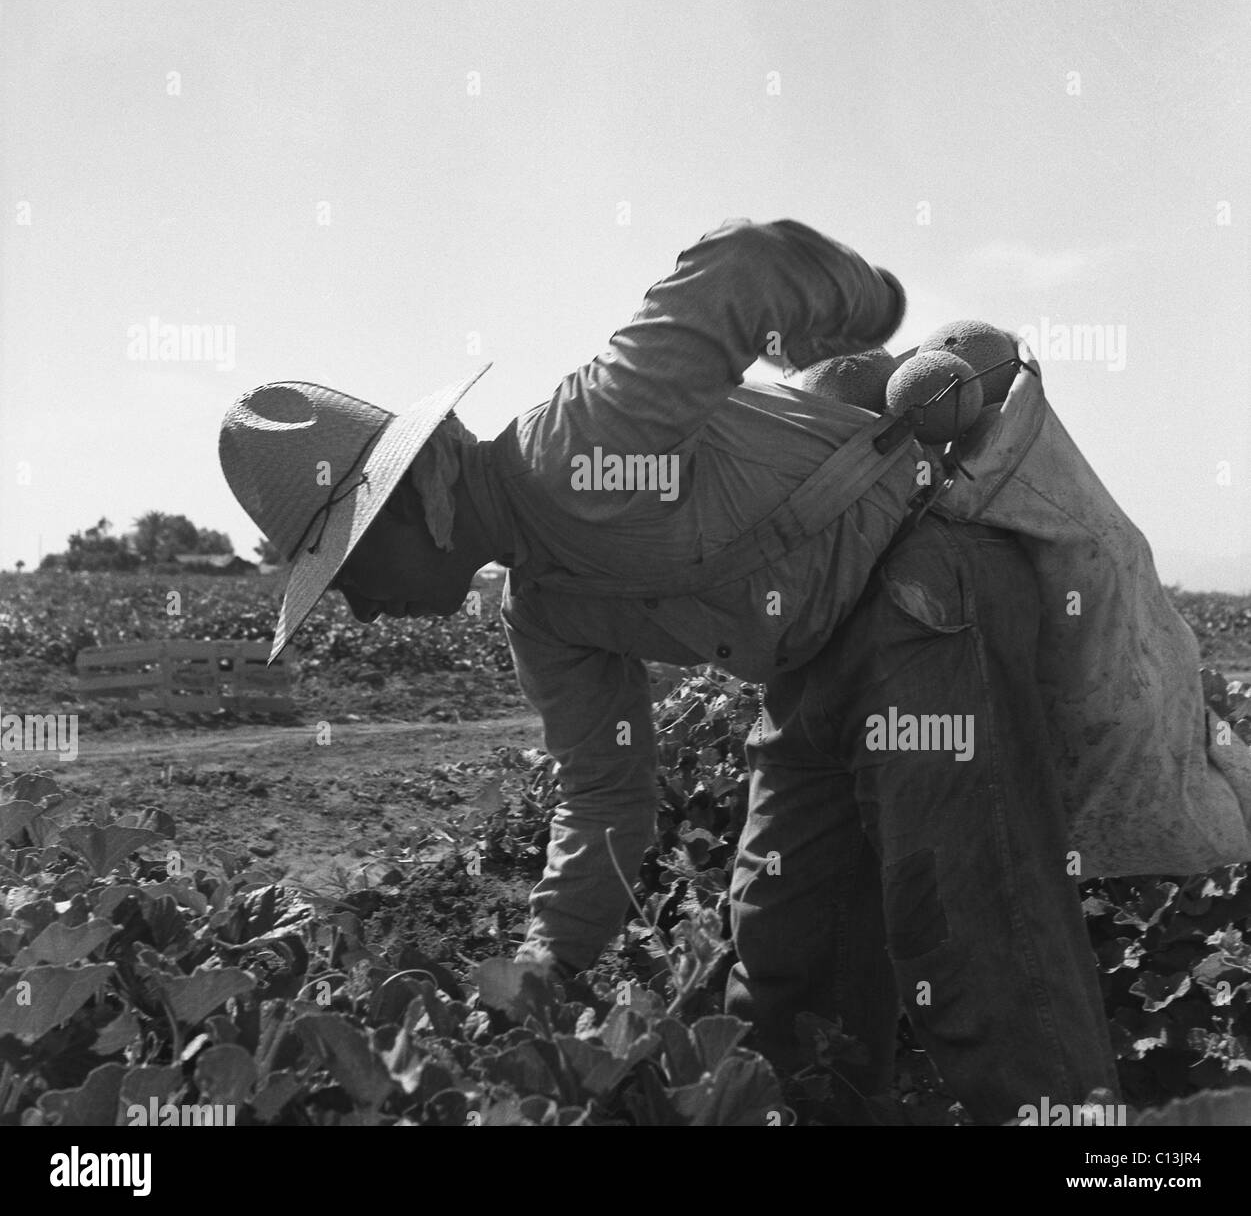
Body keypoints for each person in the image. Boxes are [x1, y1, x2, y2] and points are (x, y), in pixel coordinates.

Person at [219, 218, 1119, 1123]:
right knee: (787, 960)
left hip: (927, 594)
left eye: (351, 570)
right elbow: (604, 796)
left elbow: (744, 263)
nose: (362, 608)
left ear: (418, 500)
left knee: (969, 925)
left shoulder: (577, 443)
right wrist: (547, 962)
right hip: (812, 663)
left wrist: (867, 309)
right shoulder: (544, 616)